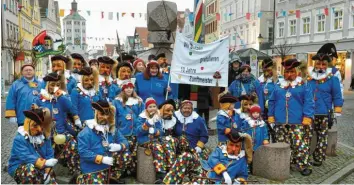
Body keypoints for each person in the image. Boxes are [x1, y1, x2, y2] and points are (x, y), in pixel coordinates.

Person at [268, 59, 315, 176]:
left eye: (292, 72)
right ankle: (285, 164)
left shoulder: (303, 85)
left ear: (297, 72)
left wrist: (307, 116)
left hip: (298, 121)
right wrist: (271, 115)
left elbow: (309, 102)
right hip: (280, 121)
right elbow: (272, 101)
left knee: (299, 144)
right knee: (282, 143)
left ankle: (303, 164)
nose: (289, 74)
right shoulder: (278, 85)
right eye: (287, 72)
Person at [34, 72, 81, 174]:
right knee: (40, 150)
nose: (55, 87)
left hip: (61, 131)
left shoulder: (62, 98)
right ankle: (43, 173)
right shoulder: (40, 99)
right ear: (47, 85)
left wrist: (60, 96)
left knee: (73, 145)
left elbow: (70, 107)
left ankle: (75, 171)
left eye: (58, 85)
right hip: (45, 134)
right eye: (52, 85)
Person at [77, 100, 130, 184]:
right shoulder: (85, 133)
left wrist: (119, 146)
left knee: (126, 153)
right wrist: (102, 159)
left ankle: (112, 177)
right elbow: (83, 152)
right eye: (102, 114)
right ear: (96, 113)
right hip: (92, 169)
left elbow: (125, 142)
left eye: (107, 114)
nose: (105, 117)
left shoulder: (112, 129)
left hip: (109, 167)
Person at [308, 46, 343, 166]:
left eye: (323, 64)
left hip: (324, 113)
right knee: (308, 135)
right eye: (318, 64)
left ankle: (318, 158)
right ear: (315, 64)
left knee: (322, 136)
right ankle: (306, 156)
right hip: (309, 113)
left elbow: (337, 95)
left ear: (327, 65)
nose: (321, 66)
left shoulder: (332, 79)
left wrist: (337, 109)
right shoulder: (309, 78)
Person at [163, 100, 209, 184]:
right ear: (180, 108)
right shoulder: (175, 117)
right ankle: (169, 168)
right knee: (171, 140)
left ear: (192, 109)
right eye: (185, 108)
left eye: (189, 108)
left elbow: (205, 136)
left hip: (194, 147)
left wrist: (199, 146)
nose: (187, 110)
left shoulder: (198, 120)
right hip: (180, 146)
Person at [8, 107, 58, 184]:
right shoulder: (19, 139)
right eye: (35, 125)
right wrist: (45, 163)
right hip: (21, 166)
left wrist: (47, 172)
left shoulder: (44, 137)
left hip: (40, 167)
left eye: (42, 126)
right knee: (30, 171)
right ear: (28, 123)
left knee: (51, 180)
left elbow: (49, 153)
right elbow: (25, 156)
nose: (40, 129)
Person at [112, 80, 144, 175]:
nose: (129, 89)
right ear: (123, 89)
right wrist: (115, 130)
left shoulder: (138, 101)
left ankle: (132, 170)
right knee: (125, 151)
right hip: (122, 131)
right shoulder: (117, 101)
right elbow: (114, 117)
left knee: (134, 151)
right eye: (126, 87)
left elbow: (142, 116)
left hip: (135, 131)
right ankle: (121, 171)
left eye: (131, 87)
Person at [136, 98, 169, 182]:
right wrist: (146, 125)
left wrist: (155, 131)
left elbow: (161, 131)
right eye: (150, 106)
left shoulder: (157, 117)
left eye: (154, 106)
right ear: (146, 108)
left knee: (168, 144)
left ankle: (169, 168)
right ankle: (160, 173)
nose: (153, 108)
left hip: (156, 139)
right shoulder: (141, 117)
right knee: (157, 147)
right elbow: (138, 132)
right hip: (145, 140)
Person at [258, 58, 282, 142]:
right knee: (265, 135)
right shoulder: (260, 80)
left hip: (275, 110)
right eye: (264, 69)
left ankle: (276, 152)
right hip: (264, 111)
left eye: (268, 69)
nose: (267, 72)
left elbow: (281, 93)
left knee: (276, 134)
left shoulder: (279, 79)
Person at [158, 99, 178, 173]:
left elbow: (176, 133)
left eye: (172, 111)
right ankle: (162, 171)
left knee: (170, 142)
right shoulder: (156, 119)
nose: (170, 113)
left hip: (170, 140)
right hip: (158, 140)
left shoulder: (174, 120)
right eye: (168, 110)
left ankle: (171, 168)